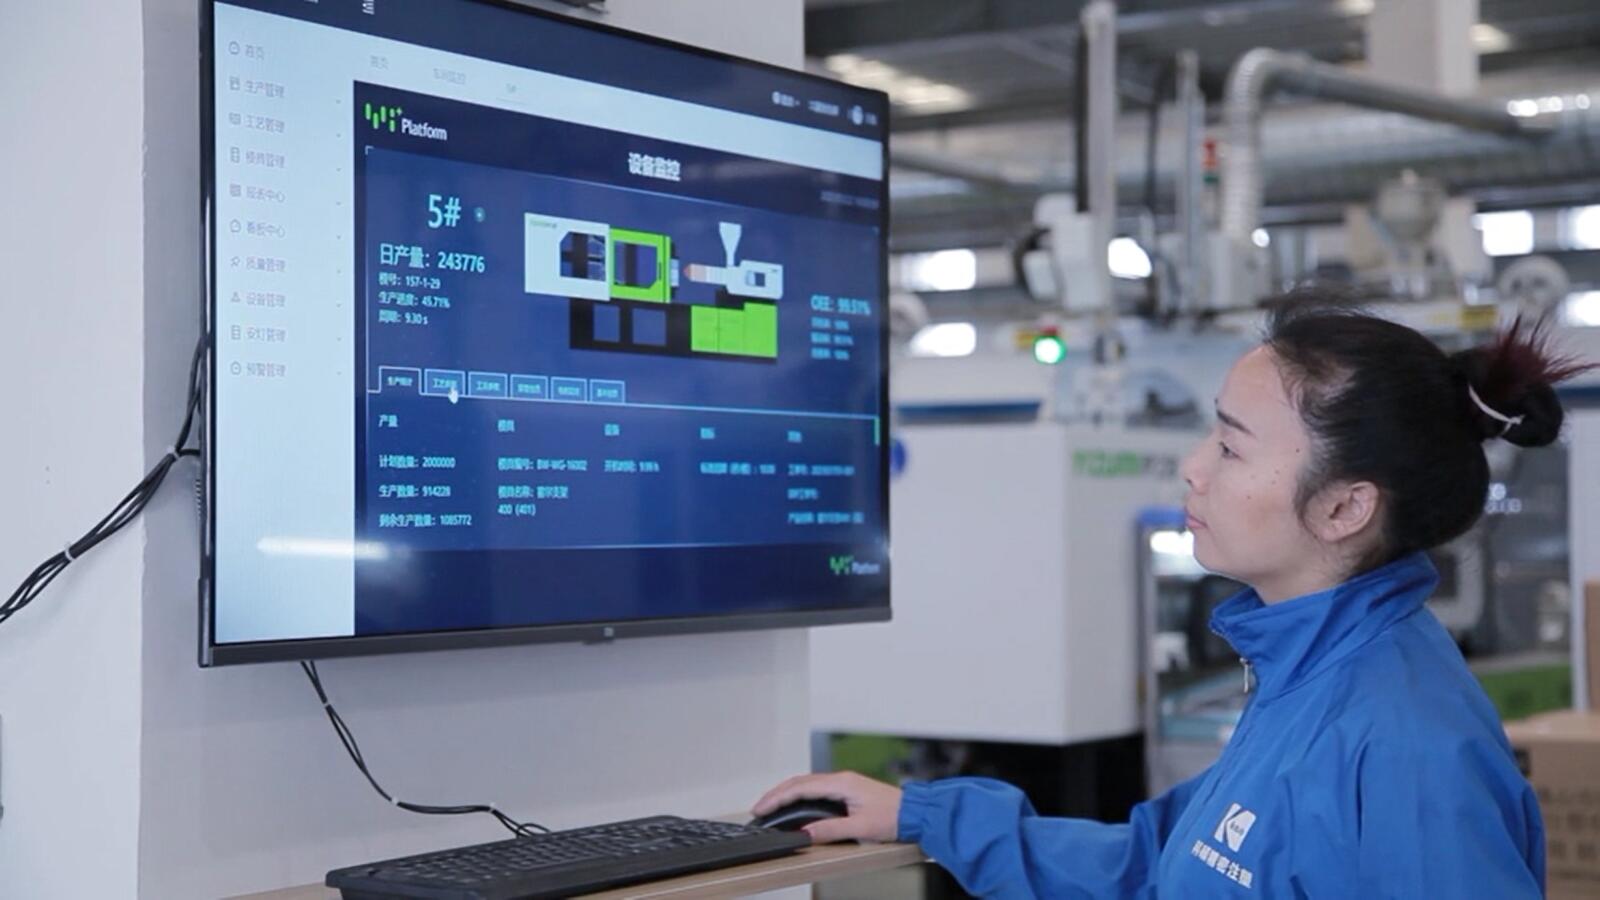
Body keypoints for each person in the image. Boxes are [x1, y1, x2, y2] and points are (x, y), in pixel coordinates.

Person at [753, 298, 1595, 898]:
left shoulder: (1407, 749)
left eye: (1230, 447)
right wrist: (925, 814)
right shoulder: (1306, 681)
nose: (1193, 468)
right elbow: (1158, 864)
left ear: (1345, 508)